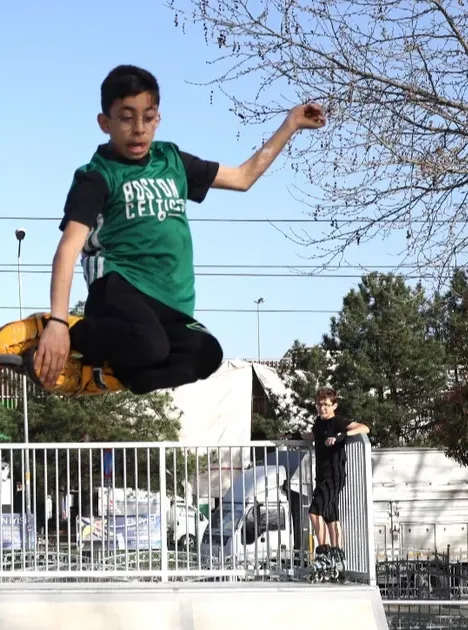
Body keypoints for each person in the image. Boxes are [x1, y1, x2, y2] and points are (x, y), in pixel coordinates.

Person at [22, 64, 326, 395]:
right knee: (150, 345)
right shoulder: (97, 176)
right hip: (118, 288)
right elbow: (67, 249)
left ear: (158, 118)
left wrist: (291, 124)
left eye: (148, 117)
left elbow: (243, 178)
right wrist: (58, 321)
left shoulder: (173, 160)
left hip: (168, 300)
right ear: (105, 123)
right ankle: (79, 335)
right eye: (126, 117)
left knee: (206, 354)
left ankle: (116, 374)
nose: (139, 129)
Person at [302, 387, 369, 572]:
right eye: (319, 404)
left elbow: (364, 427)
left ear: (334, 405)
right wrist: (294, 437)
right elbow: (314, 436)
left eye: (326, 405)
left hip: (334, 475)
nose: (322, 408)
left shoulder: (337, 421)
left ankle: (323, 554)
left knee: (314, 512)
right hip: (321, 476)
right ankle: (338, 556)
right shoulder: (318, 423)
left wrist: (342, 435)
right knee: (331, 516)